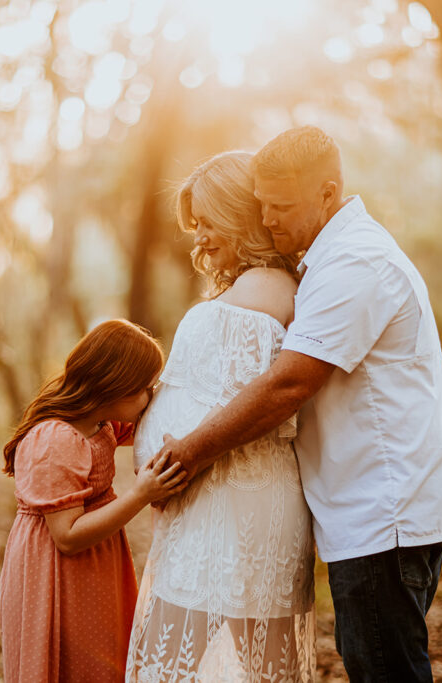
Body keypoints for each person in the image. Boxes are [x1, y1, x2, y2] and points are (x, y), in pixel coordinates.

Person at [157, 127, 442, 682]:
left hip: (383, 510)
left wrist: (190, 452)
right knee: (376, 661)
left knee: (385, 669)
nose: (270, 220)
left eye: (281, 207)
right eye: (263, 207)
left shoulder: (354, 264)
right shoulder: (327, 261)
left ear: (328, 193)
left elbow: (289, 384)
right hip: (369, 511)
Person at [126, 151, 317, 681]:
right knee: (257, 665)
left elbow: (248, 401)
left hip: (230, 497)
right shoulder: (268, 289)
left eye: (208, 222)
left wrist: (178, 458)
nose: (200, 238)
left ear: (238, 215)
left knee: (174, 665)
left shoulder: (261, 292)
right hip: (230, 496)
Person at [0, 319, 188, 683]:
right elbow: (66, 537)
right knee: (70, 663)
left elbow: (157, 419)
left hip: (97, 560)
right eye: (144, 388)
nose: (150, 396)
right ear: (114, 386)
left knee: (102, 662)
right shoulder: (56, 439)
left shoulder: (102, 423)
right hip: (56, 571)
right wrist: (141, 494)